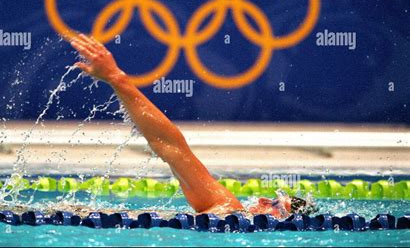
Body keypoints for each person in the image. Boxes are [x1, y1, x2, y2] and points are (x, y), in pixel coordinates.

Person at [70, 34, 313, 218]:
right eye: (271, 198)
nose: (261, 199)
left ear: (283, 221)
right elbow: (171, 147)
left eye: (274, 205)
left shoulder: (230, 210)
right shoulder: (229, 212)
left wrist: (117, 78)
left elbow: (172, 146)